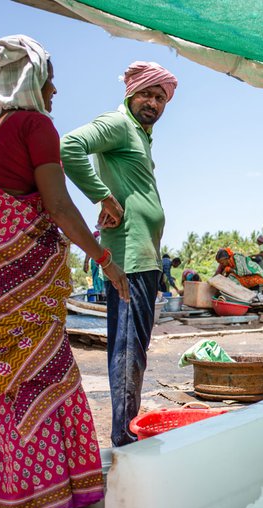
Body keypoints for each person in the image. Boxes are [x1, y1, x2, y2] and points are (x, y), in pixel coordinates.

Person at [0, 35, 130, 508]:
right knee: (35, 388)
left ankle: (55, 498)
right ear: (30, 81)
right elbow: (58, 206)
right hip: (12, 290)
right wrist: (105, 261)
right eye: (49, 77)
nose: (55, 88)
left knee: (16, 390)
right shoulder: (35, 126)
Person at [61, 60, 177, 447]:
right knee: (128, 350)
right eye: (147, 93)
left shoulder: (140, 134)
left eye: (161, 98)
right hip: (127, 256)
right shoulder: (117, 123)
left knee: (136, 350)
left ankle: (125, 428)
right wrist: (102, 197)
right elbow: (70, 146)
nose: (154, 103)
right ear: (131, 93)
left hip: (143, 257)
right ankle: (123, 436)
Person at [82, 231, 105, 299]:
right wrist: (86, 262)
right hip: (96, 260)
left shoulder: (111, 233)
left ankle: (104, 294)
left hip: (107, 259)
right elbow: (90, 247)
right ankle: (100, 296)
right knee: (98, 281)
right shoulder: (96, 234)